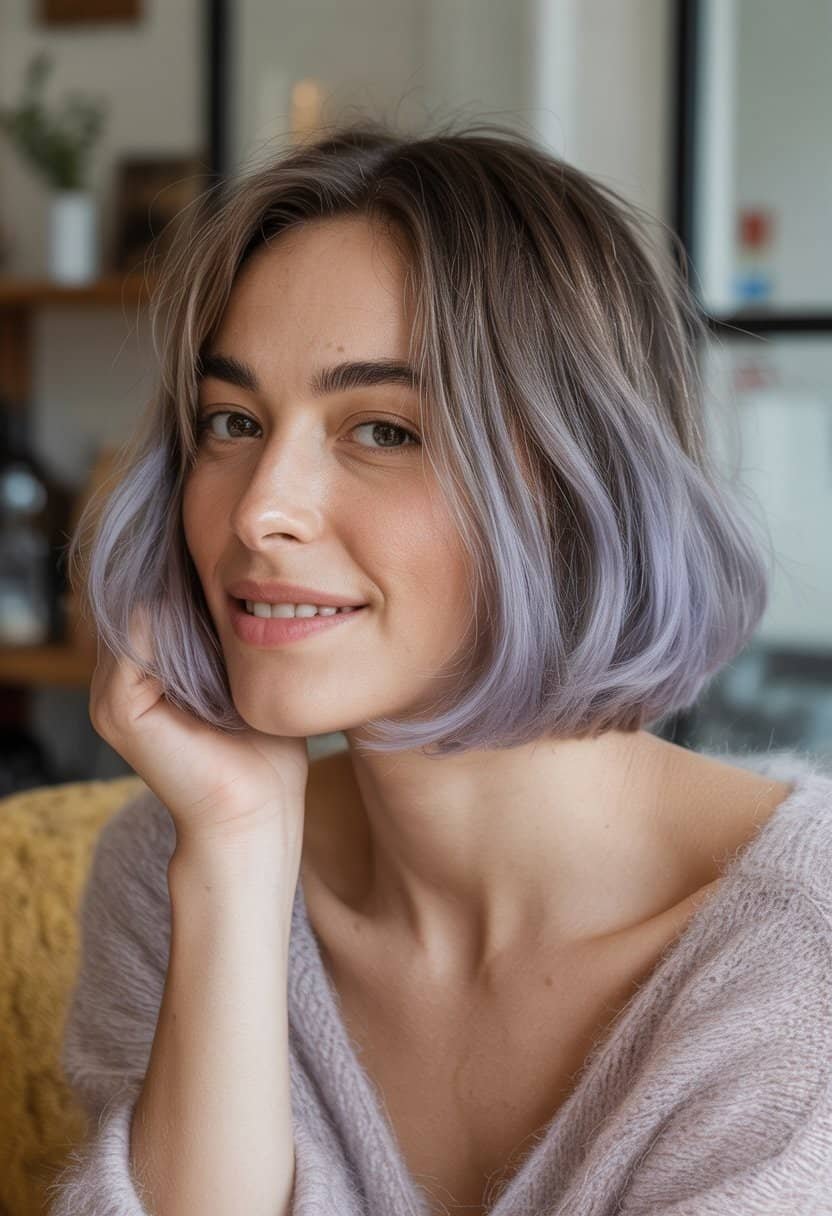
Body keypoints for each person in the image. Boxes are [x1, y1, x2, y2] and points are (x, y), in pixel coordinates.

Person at [49, 121, 832, 1216]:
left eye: (382, 431)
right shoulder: (175, 865)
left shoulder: (804, 960)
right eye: (232, 420)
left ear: (574, 486)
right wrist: (234, 858)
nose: (261, 508)